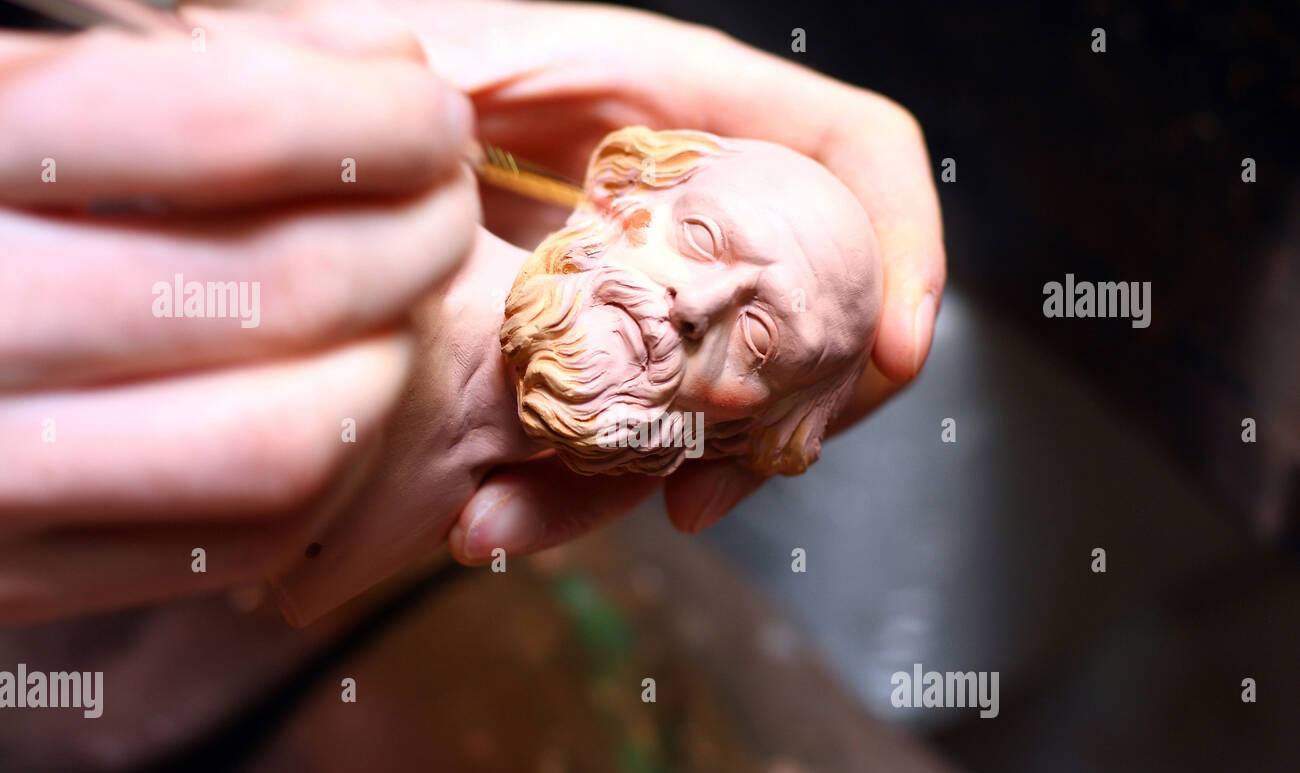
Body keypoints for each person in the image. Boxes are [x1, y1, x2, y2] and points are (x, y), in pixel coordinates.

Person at [0, 0, 945, 625]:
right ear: (619, 192)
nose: (694, 306)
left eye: (761, 338)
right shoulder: (387, 216)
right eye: (701, 241)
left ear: (752, 433)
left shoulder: (475, 478)